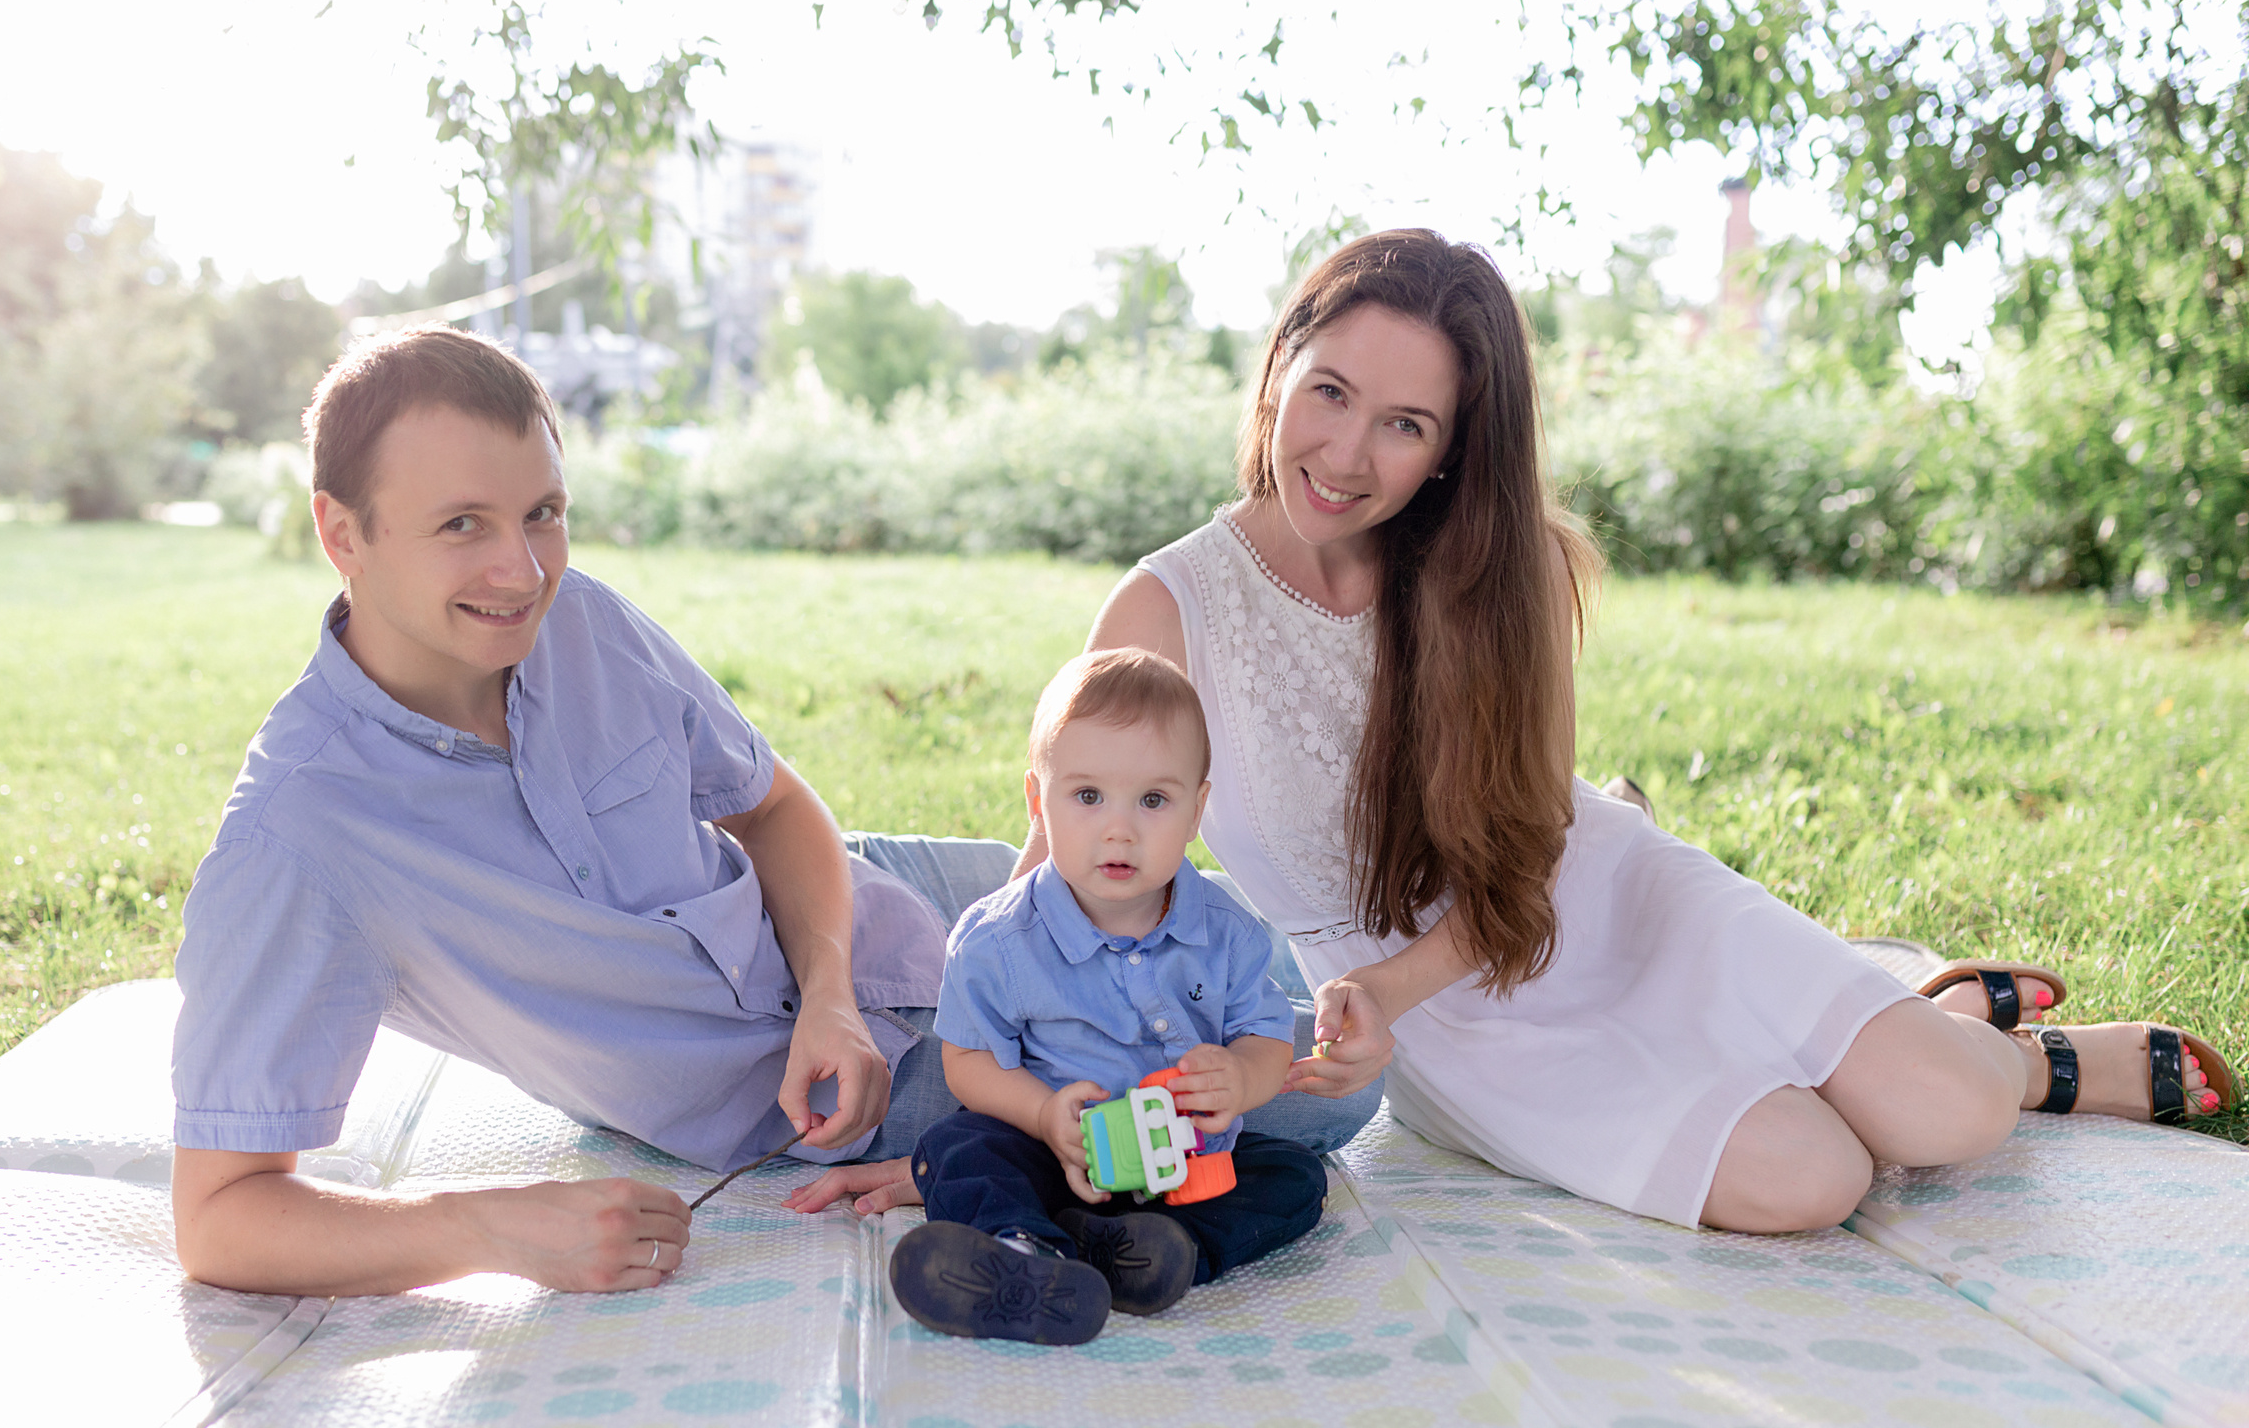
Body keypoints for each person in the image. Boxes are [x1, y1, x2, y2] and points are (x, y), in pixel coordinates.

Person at [797, 229, 2231, 1235]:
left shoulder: (1502, 575)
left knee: (1952, 1120)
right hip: (1412, 1008)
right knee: (1813, 1186)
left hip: (1565, 897)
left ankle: (2013, 1054)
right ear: (1282, 364)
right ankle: (1874, 1014)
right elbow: (1075, 897)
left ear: (1456, 449)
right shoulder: (1168, 606)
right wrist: (984, 1152)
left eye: (1407, 426)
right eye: (1334, 392)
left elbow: (1527, 859)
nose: (1350, 456)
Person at [169, 327, 948, 1296]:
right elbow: (218, 1220)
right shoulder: (299, 836)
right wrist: (486, 1227)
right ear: (342, 535)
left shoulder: (584, 620)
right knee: (1172, 1086)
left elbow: (777, 806)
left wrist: (829, 991)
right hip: (875, 1091)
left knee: (1176, 889)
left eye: (542, 512)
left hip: (887, 904)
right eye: (462, 525)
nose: (526, 571)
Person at [888, 649, 1324, 1345]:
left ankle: (1149, 1256)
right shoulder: (998, 940)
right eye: (1088, 797)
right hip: (1057, 1157)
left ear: (1196, 809)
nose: (1119, 830)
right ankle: (1025, 1252)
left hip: (1187, 1169)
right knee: (955, 1146)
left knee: (1295, 1175)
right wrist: (1043, 1113)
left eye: (1153, 800)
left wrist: (1242, 1076)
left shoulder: (1228, 933)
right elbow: (967, 1066)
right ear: (1038, 801)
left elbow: (1267, 1035)